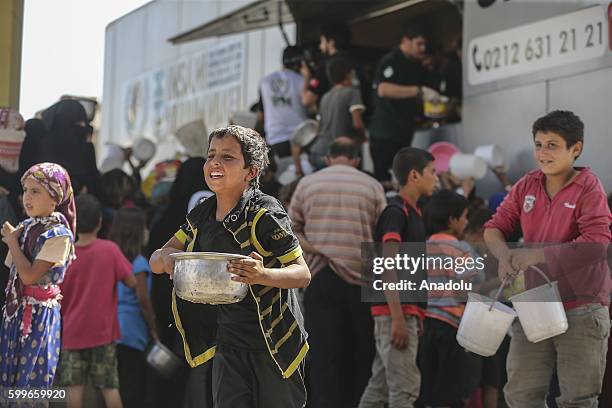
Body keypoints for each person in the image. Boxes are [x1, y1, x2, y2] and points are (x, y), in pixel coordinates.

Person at [150, 125, 311, 408]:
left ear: (251, 171)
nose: (214, 163)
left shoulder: (264, 213)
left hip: (273, 343)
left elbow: (302, 274)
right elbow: (158, 257)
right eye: (211, 155)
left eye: (227, 157)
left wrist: (263, 275)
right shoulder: (202, 213)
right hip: (228, 341)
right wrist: (169, 261)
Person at [484, 110, 612, 407]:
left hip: (582, 305)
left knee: (578, 400)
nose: (542, 153)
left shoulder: (589, 187)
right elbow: (493, 228)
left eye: (552, 145)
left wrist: (536, 255)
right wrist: (504, 256)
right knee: (519, 395)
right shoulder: (526, 184)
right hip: (533, 303)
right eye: (538, 144)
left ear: (575, 148)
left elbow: (596, 244)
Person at [289, 138, 386, 408]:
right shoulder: (372, 186)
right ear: (356, 159)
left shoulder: (307, 184)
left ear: (329, 158)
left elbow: (289, 230)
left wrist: (317, 249)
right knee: (361, 355)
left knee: (324, 358)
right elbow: (382, 239)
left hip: (320, 277)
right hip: (362, 283)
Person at [359, 147, 438, 408]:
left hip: (405, 311)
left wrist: (417, 313)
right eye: (432, 172)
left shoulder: (413, 213)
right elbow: (386, 264)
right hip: (395, 311)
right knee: (404, 390)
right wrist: (398, 317)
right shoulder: (396, 211)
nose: (436, 179)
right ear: (415, 175)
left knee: (379, 388)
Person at [56, 194, 136, 408]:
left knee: (74, 389)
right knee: (110, 389)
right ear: (100, 221)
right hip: (103, 333)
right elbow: (131, 281)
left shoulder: (65, 254)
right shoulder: (109, 250)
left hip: (72, 333)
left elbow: (57, 294)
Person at [0, 162, 76, 388]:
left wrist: (12, 242)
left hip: (38, 318)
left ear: (54, 198)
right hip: (16, 312)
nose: (27, 197)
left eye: (36, 191)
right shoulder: (27, 226)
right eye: (25, 191)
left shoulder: (58, 235)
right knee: (10, 381)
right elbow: (12, 270)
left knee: (31, 383)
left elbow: (29, 276)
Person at [419, 190, 485, 408]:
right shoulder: (462, 249)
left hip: (424, 325)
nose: (466, 222)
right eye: (465, 216)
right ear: (452, 220)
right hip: (452, 327)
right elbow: (472, 285)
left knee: (426, 385)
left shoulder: (421, 247)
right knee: (448, 389)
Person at [369, 25, 440, 181]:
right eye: (418, 44)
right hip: (385, 132)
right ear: (406, 41)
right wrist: (418, 90)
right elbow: (384, 89)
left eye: (424, 45)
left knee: (404, 179)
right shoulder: (391, 60)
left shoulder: (416, 66)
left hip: (404, 132)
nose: (422, 48)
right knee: (384, 180)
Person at [109, 207, 159, 408]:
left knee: (113, 387)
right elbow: (143, 299)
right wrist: (154, 327)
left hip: (108, 330)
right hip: (132, 333)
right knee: (132, 388)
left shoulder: (110, 258)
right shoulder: (138, 263)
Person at [295, 57, 366, 173]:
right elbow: (357, 124)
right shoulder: (352, 93)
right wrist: (363, 138)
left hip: (317, 152)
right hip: (338, 155)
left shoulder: (325, 97)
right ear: (348, 74)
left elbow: (318, 128)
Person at [259, 46, 308, 175]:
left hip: (275, 140)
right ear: (301, 63)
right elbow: (310, 104)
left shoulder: (265, 82)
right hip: (300, 139)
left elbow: (261, 114)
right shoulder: (301, 80)